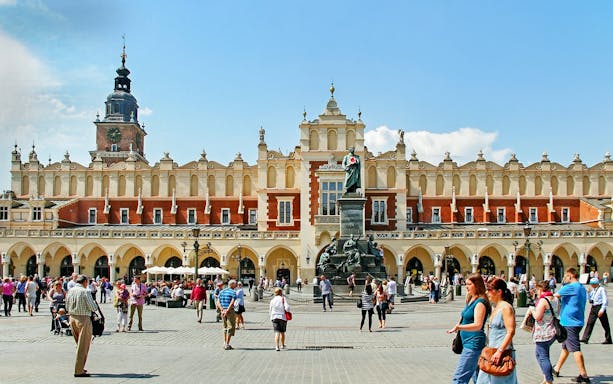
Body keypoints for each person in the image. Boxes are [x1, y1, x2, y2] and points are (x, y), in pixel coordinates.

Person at [448, 274, 491, 384]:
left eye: (469, 284)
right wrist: (457, 326)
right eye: (466, 284)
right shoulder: (471, 299)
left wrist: (459, 327)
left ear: (477, 285)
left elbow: (478, 325)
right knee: (478, 378)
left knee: (459, 377)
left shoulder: (480, 302)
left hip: (473, 343)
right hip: (467, 342)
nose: (466, 286)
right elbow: (465, 318)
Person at [475, 278, 517, 383]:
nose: (487, 292)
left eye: (490, 290)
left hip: (501, 354)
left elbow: (510, 331)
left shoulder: (506, 308)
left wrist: (500, 351)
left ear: (499, 292)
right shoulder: (496, 307)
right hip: (491, 352)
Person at [552, 268, 590, 383]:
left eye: (566, 276)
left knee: (575, 348)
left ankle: (584, 375)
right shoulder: (581, 288)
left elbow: (555, 296)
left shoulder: (570, 287)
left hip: (570, 322)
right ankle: (557, 369)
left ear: (570, 276)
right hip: (578, 321)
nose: (564, 278)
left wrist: (563, 285)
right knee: (565, 347)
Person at [65, 274, 98, 377]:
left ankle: (80, 367)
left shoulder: (70, 291)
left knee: (79, 344)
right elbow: (93, 308)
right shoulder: (85, 291)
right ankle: (79, 370)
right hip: (83, 319)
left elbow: (66, 305)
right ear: (85, 282)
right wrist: (95, 304)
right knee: (83, 346)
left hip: (72, 318)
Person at [532, 280, 559, 384]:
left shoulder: (543, 300)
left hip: (543, 332)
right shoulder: (555, 298)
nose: (536, 292)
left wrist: (532, 311)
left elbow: (537, 317)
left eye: (537, 290)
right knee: (539, 354)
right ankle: (546, 377)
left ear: (540, 289)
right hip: (552, 330)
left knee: (543, 357)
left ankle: (549, 380)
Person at [580, 277, 611, 344]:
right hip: (594, 307)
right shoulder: (593, 290)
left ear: (596, 283)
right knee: (590, 323)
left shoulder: (601, 289)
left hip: (599, 307)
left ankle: (608, 339)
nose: (591, 285)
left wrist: (602, 310)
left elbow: (605, 300)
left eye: (592, 284)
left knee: (605, 324)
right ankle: (585, 338)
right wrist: (588, 293)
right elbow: (590, 299)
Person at [216, 279, 237, 350]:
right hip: (229, 311)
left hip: (223, 311)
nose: (236, 285)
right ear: (232, 285)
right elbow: (232, 302)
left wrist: (222, 310)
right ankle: (227, 344)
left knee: (225, 327)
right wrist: (227, 310)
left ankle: (225, 343)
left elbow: (218, 302)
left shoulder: (221, 291)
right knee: (230, 327)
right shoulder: (233, 292)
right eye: (235, 284)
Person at [269, 287, 291, 351]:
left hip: (274, 317)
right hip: (282, 317)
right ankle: (282, 345)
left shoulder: (272, 300)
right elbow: (287, 308)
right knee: (282, 332)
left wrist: (271, 317)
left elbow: (270, 309)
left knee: (276, 332)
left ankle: (277, 346)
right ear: (281, 292)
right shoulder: (283, 299)